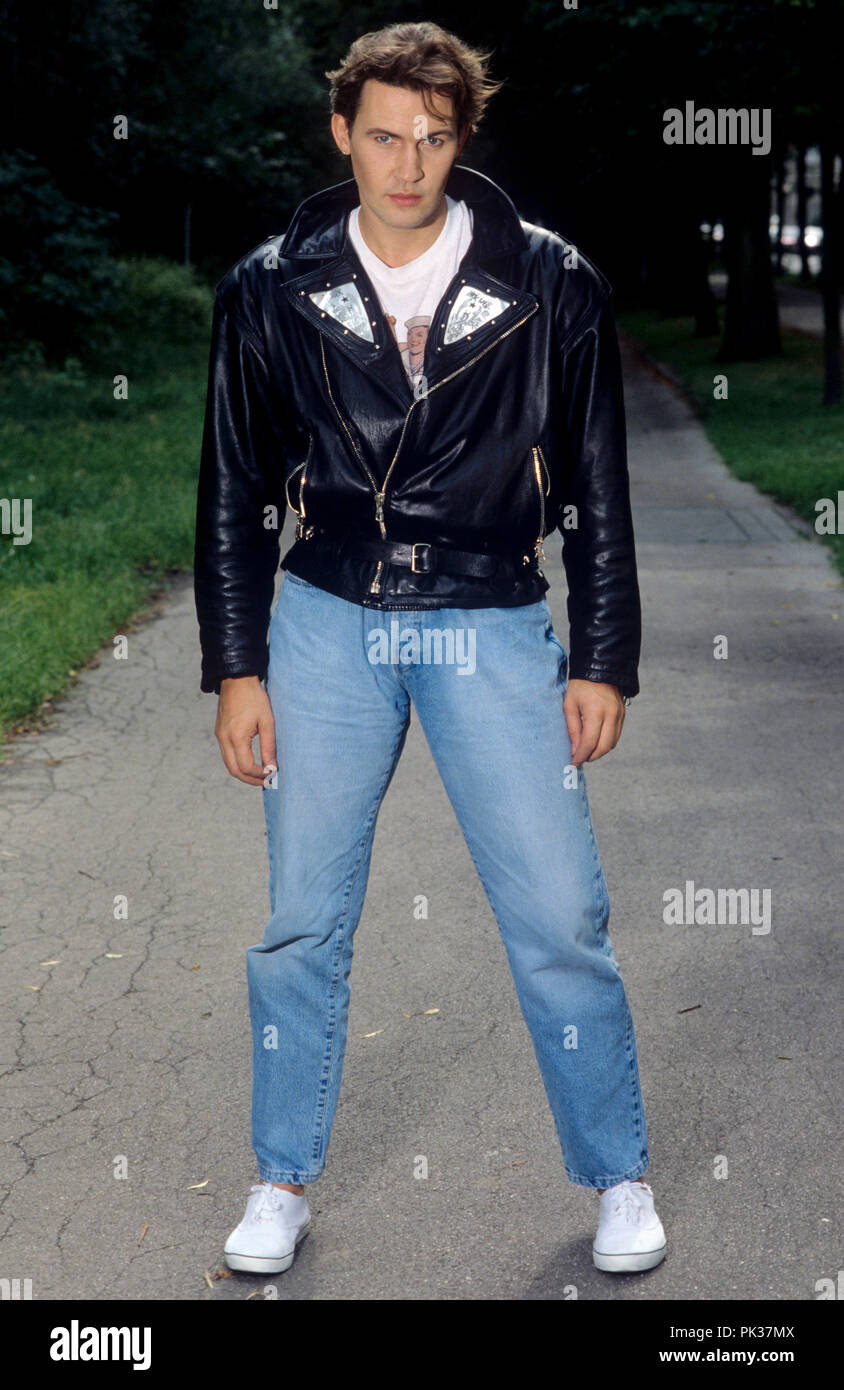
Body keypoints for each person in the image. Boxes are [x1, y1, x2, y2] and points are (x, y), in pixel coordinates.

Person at [193, 19, 666, 1280]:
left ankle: (618, 1176)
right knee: (301, 920)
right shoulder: (268, 286)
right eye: (385, 136)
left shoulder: (551, 280)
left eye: (435, 138)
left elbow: (597, 489)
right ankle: (278, 1179)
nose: (408, 166)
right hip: (326, 621)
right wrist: (238, 665)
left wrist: (601, 656)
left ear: (463, 140)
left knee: (560, 913)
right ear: (341, 133)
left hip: (489, 616)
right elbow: (233, 488)